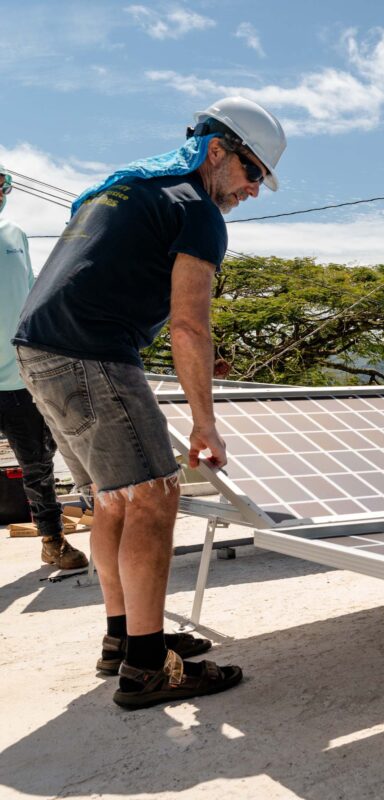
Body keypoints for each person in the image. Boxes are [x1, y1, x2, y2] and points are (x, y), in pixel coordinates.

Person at [12, 97, 286, 709]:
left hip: (40, 351)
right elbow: (191, 324)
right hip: (90, 353)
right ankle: (146, 668)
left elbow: (108, 281)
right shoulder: (197, 210)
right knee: (155, 495)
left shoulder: (127, 188)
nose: (253, 190)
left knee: (115, 498)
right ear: (218, 152)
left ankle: (125, 640)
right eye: (251, 173)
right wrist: (206, 423)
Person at [0, 163, 88, 570]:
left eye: (3, 184)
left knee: (37, 464)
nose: (1, 191)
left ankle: (53, 541)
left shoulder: (15, 234)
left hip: (19, 376)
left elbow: (33, 292)